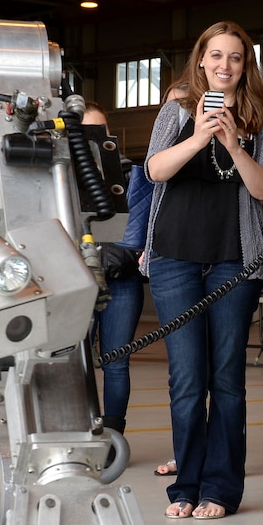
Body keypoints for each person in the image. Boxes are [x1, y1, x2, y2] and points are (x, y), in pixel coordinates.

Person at [142, 22, 263, 520]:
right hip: (175, 259)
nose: (225, 66)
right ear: (201, 60)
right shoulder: (177, 109)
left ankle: (220, 489)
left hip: (233, 260)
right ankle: (185, 486)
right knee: (185, 380)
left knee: (225, 380)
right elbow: (154, 170)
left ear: (247, 66)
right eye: (216, 56)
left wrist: (235, 144)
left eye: (236, 58)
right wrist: (199, 137)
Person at [87, 100, 155, 438]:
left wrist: (97, 260)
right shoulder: (58, 175)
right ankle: (78, 429)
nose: (95, 139)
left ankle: (113, 435)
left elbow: (136, 235)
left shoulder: (135, 175)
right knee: (73, 363)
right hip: (75, 283)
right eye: (86, 131)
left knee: (116, 363)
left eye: (101, 131)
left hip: (121, 282)